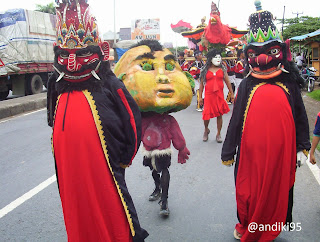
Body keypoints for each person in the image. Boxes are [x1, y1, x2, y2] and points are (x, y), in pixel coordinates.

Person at [46, 1, 148, 241]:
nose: (71, 62)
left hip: (105, 166)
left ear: (99, 51)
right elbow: (52, 118)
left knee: (112, 207)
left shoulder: (110, 84)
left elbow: (133, 122)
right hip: (69, 167)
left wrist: (124, 159)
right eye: (65, 55)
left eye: (80, 54)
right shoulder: (56, 84)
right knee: (76, 209)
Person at [221, 2, 310, 241]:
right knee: (248, 190)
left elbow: (300, 115)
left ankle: (271, 225)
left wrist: (302, 146)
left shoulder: (289, 81)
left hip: (282, 154)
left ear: (281, 50)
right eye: (253, 53)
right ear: (247, 54)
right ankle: (248, 223)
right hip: (251, 155)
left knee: (277, 191)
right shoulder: (248, 82)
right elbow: (236, 118)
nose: (261, 58)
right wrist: (228, 150)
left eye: (270, 51)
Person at [114, 40, 194, 216]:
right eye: (147, 67)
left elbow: (177, 135)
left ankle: (164, 200)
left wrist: (181, 148)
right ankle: (157, 188)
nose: (162, 76)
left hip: (163, 149)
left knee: (164, 169)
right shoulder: (141, 118)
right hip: (148, 150)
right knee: (153, 169)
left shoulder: (168, 120)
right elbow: (134, 134)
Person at [199, 48, 234, 142]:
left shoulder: (222, 69)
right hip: (209, 95)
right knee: (206, 115)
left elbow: (227, 81)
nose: (218, 59)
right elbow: (201, 84)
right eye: (215, 57)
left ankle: (218, 134)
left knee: (219, 115)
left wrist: (231, 93)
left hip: (219, 95)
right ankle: (206, 130)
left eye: (219, 57)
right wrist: (200, 97)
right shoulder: (205, 70)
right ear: (211, 58)